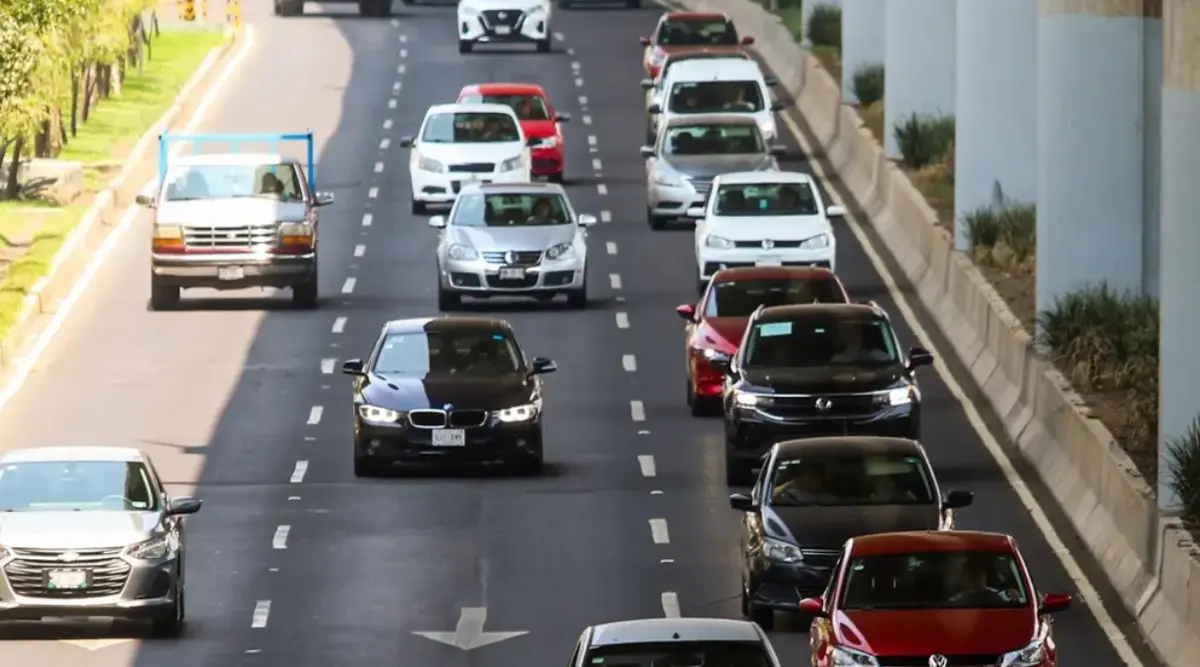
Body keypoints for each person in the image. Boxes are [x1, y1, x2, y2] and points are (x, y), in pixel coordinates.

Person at [773, 464, 838, 503]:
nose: (811, 482)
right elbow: (771, 498)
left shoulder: (829, 499)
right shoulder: (794, 494)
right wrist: (789, 484)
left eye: (815, 478)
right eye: (808, 478)